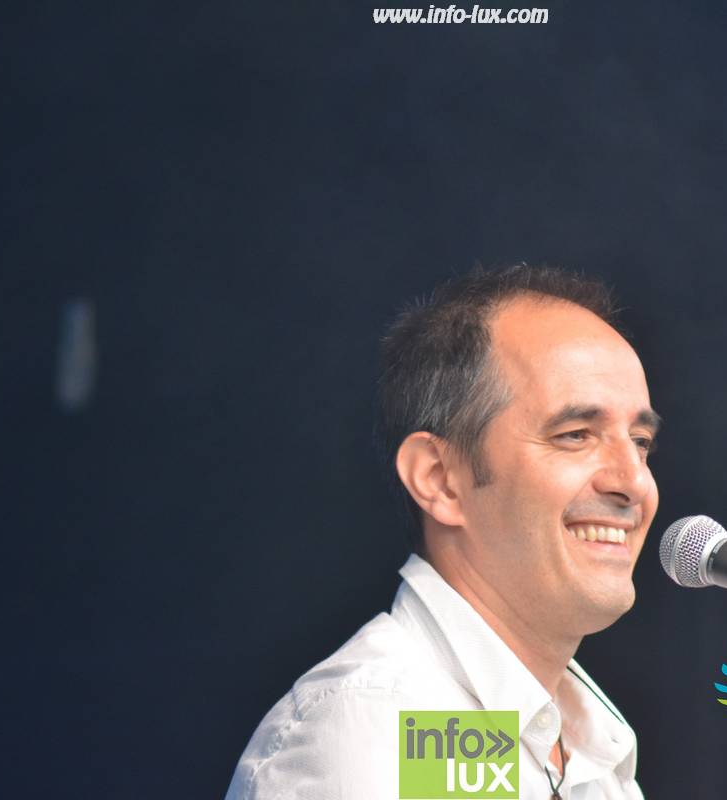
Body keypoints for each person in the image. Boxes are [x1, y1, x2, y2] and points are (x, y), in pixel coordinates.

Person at [225, 265, 660, 799]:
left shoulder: (578, 743)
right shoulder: (379, 729)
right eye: (574, 434)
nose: (634, 481)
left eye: (641, 442)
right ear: (439, 479)